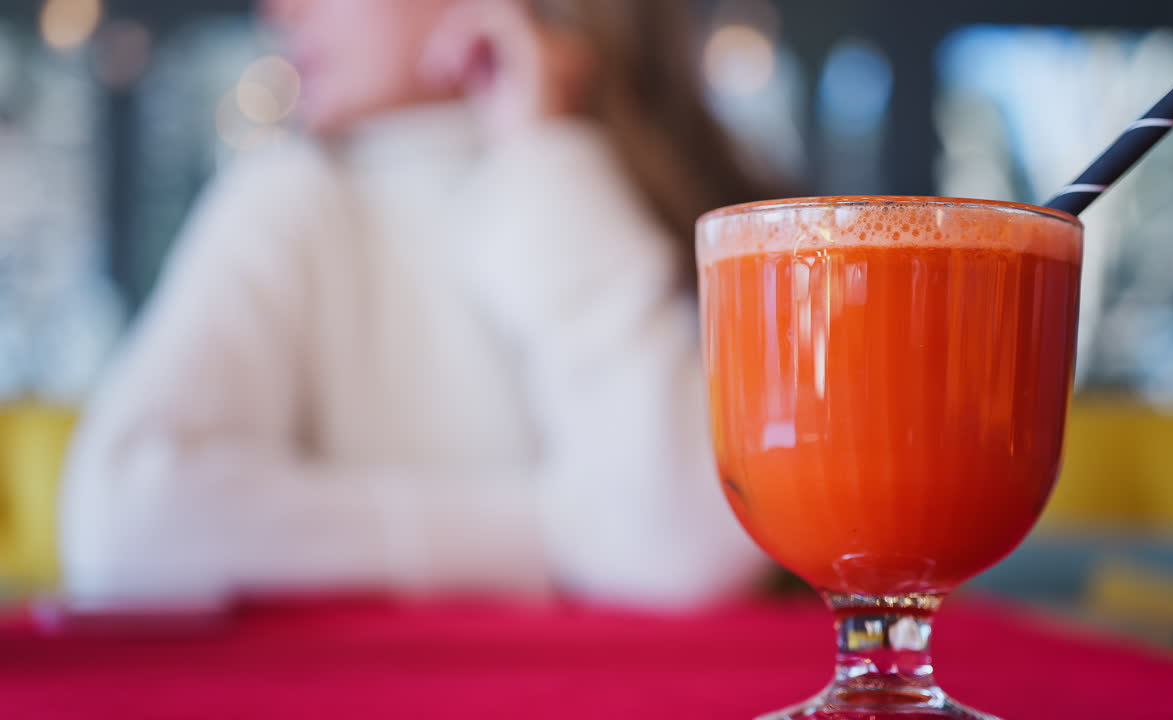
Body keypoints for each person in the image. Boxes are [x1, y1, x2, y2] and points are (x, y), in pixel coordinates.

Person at [59, 0, 776, 610]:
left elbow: (689, 541)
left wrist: (545, 156)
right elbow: (122, 524)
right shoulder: (292, 203)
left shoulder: (601, 202)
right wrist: (556, 533)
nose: (278, 9)